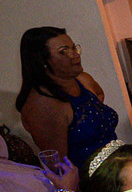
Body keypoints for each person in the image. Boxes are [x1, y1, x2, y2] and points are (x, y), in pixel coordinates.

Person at [17, 26, 119, 173]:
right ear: (42, 60)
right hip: (93, 179)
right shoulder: (43, 104)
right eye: (63, 51)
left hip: (119, 165)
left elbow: (98, 95)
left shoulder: (82, 79)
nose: (75, 55)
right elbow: (59, 166)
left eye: (73, 48)